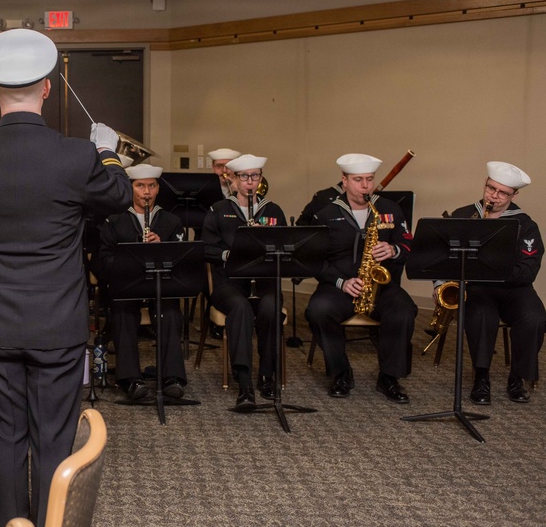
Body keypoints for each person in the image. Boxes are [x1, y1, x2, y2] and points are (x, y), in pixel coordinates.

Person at [0, 28, 130, 527]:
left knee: (4, 442)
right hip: (58, 324)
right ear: (47, 88)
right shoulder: (76, 157)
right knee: (53, 440)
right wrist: (107, 152)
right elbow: (118, 195)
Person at [305, 153, 417, 403]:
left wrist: (393, 250)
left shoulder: (389, 209)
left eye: (369, 179)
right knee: (318, 311)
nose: (366, 186)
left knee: (404, 310)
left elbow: (408, 244)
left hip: (380, 286)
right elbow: (313, 260)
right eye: (358, 180)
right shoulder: (326, 214)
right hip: (339, 286)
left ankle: (390, 376)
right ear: (344, 181)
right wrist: (340, 282)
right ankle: (341, 373)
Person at [444, 162, 545, 404]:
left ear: (514, 195)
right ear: (486, 184)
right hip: (478, 288)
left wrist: (490, 268)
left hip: (515, 289)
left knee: (535, 317)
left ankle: (517, 378)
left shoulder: (525, 224)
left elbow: (528, 271)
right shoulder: (463, 215)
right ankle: (481, 378)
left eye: (503, 192)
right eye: (491, 188)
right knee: (480, 314)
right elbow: (443, 256)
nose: (494, 196)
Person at [95, 163, 187, 402]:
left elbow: (182, 260)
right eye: (140, 186)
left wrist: (161, 250)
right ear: (131, 187)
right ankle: (130, 379)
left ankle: (172, 377)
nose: (147, 192)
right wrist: (132, 256)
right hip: (126, 287)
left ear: (158, 188)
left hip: (160, 286)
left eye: (152, 186)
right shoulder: (114, 221)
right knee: (123, 312)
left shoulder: (171, 221)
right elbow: (102, 262)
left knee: (170, 311)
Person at [202, 154, 287, 409]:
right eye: (244, 177)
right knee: (239, 308)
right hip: (229, 283)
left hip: (263, 281)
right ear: (233, 179)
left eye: (255, 176)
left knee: (271, 307)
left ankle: (267, 375)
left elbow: (286, 244)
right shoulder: (219, 210)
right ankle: (244, 381)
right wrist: (229, 254)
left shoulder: (272, 210)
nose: (250, 182)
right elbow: (205, 249)